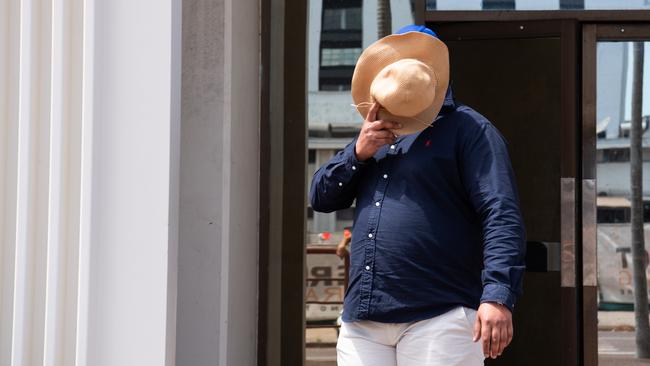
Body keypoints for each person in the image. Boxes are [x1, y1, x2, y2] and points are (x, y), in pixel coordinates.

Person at [309, 25, 526, 366]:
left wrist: (498, 296)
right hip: (364, 318)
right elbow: (320, 197)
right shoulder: (371, 134)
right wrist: (358, 152)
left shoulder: (469, 130)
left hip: (441, 314)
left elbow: (500, 213)